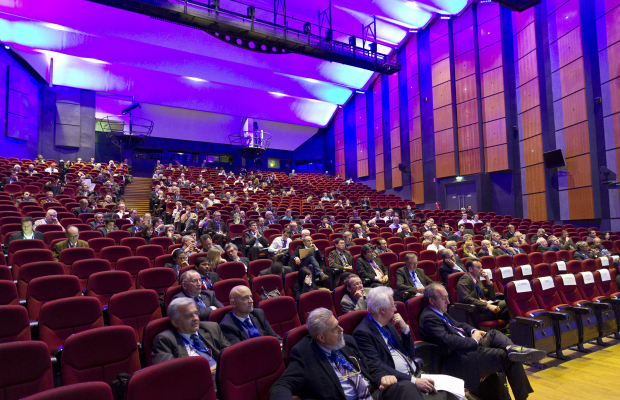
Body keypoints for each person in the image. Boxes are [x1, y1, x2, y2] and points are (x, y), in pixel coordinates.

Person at [419, 283, 544, 400]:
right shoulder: (429, 317)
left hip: (468, 347)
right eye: (443, 298)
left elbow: (459, 324)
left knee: (493, 334)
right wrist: (473, 341)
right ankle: (522, 397)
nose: (448, 301)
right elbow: (449, 341)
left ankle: (513, 348)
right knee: (509, 358)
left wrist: (474, 331)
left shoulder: (440, 312)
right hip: (460, 357)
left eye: (447, 297)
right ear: (432, 301)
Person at [270, 307, 421, 400]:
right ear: (321, 337)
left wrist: (382, 377)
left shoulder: (347, 342)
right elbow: (281, 386)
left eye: (338, 325)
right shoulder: (304, 353)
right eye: (335, 329)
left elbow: (369, 366)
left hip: (371, 395)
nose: (341, 330)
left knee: (406, 387)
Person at [353, 287, 454, 399]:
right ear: (382, 310)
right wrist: (414, 381)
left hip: (414, 373)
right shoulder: (363, 333)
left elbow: (410, 353)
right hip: (400, 384)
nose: (395, 310)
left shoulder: (389, 325)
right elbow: (376, 365)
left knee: (452, 390)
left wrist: (405, 329)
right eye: (392, 306)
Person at [151, 297, 230, 386]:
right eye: (188, 316)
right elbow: (169, 374)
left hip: (224, 378)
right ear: (175, 322)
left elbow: (229, 354)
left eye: (196, 313)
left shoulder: (212, 328)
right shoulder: (164, 340)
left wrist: (218, 367)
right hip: (195, 386)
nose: (195, 318)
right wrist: (208, 370)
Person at [457, 260, 510, 325]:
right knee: (508, 304)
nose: (482, 269)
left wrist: (488, 280)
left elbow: (491, 296)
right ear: (470, 269)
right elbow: (467, 299)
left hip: (484, 308)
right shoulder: (465, 280)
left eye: (481, 267)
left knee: (508, 306)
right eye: (478, 267)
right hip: (476, 311)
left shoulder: (477, 280)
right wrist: (488, 306)